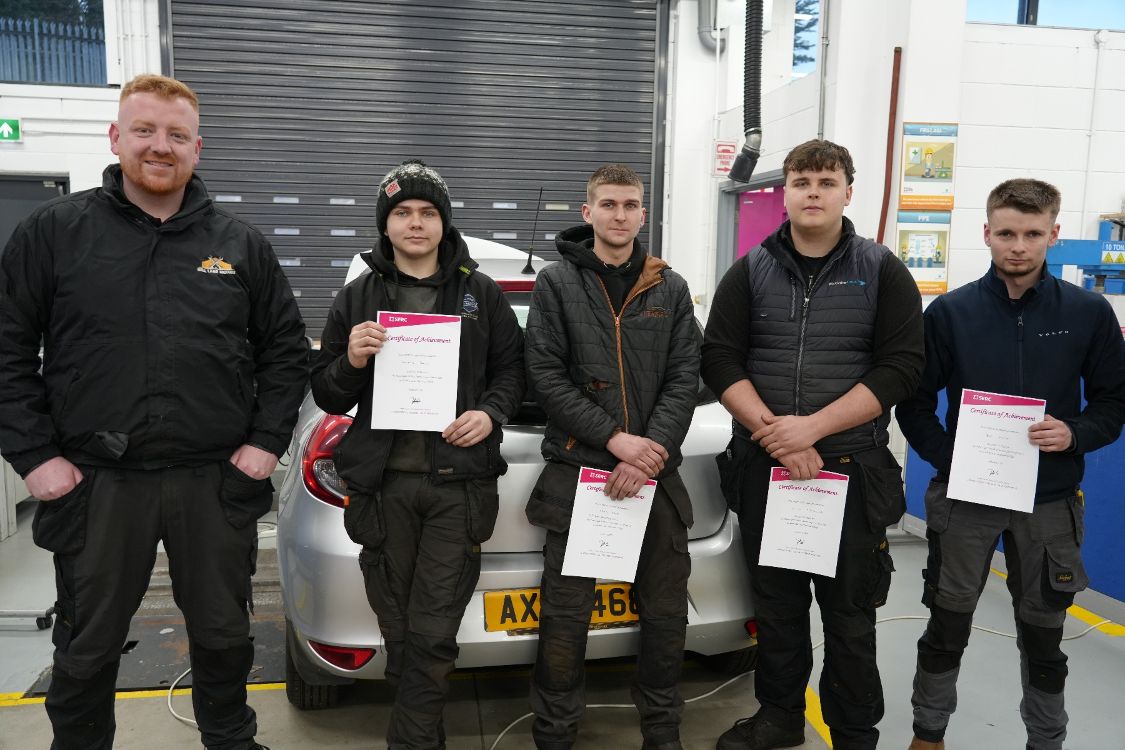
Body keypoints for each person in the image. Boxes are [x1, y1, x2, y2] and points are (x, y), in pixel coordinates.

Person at [0, 74, 308, 750]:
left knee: (226, 634)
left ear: (198, 148)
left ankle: (230, 739)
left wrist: (263, 445)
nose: (159, 147)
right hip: (95, 484)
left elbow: (286, 355)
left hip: (212, 481)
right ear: (116, 138)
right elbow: (7, 349)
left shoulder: (239, 245)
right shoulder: (54, 233)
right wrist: (34, 456)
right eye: (144, 131)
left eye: (175, 135)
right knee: (86, 644)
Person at [701, 139, 924, 750]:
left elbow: (901, 368)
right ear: (787, 193)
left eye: (827, 182)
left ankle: (855, 730)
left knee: (850, 614)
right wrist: (779, 435)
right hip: (766, 467)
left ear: (848, 192)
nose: (813, 193)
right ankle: (779, 716)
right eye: (802, 182)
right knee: (777, 606)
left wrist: (813, 429)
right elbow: (719, 358)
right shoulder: (749, 271)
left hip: (849, 471)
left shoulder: (882, 270)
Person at [896, 179, 1125, 750]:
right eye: (1005, 233)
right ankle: (929, 735)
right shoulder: (950, 312)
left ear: (1053, 233)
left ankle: (1046, 740)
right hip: (966, 502)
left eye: (1030, 234)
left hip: (1048, 504)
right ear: (987, 234)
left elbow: (1114, 403)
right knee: (946, 626)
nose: (1017, 246)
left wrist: (1074, 432)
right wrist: (953, 458)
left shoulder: (1087, 312)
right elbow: (915, 404)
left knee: (1044, 634)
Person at [310, 159, 525, 749]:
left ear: (443, 222)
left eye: (427, 213)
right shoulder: (356, 299)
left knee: (431, 631)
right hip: (383, 489)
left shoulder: (481, 294)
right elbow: (325, 390)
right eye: (402, 213)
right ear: (386, 225)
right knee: (400, 630)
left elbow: (513, 373)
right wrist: (351, 359)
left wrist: (489, 413)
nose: (415, 223)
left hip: (458, 486)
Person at [524, 163, 699, 750]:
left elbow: (684, 377)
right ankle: (554, 733)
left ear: (643, 213)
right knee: (565, 616)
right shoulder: (556, 284)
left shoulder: (669, 288)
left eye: (630, 205)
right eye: (609, 204)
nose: (620, 214)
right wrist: (615, 441)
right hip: (579, 473)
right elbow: (546, 376)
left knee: (666, 613)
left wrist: (645, 454)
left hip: (654, 477)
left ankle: (662, 730)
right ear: (588, 212)